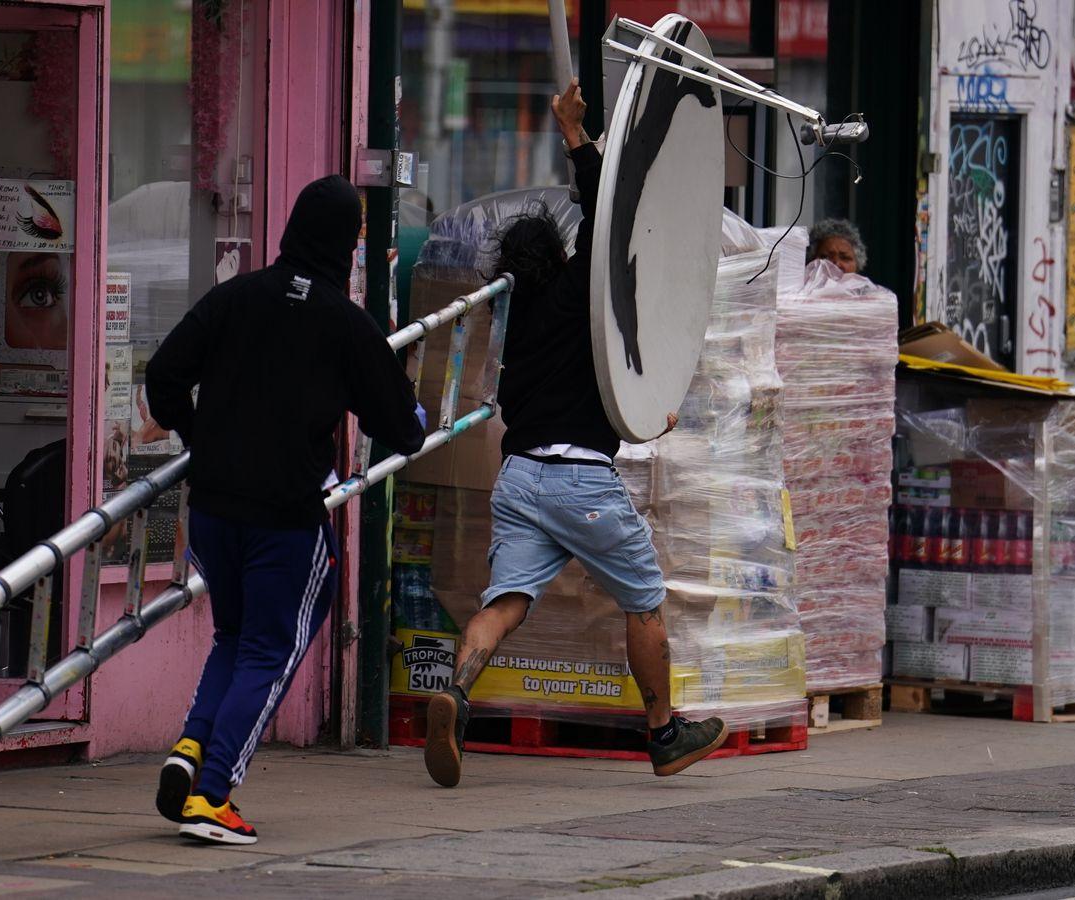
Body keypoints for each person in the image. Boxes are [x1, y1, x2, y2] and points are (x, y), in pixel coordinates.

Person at [421, 78, 727, 789]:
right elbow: (606, 211)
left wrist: (646, 410)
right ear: (557, 258)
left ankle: (456, 693)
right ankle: (665, 733)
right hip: (578, 477)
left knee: (506, 601)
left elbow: (597, 390)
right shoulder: (573, 294)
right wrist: (575, 135)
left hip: (520, 475)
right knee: (644, 599)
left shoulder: (516, 327)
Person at [145, 174, 426, 845]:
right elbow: (402, 426)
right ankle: (212, 796)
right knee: (273, 649)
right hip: (285, 518)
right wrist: (409, 408)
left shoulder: (234, 298)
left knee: (235, 636)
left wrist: (199, 436)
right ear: (343, 245)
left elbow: (162, 378)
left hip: (213, 509)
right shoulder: (344, 323)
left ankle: (191, 750)